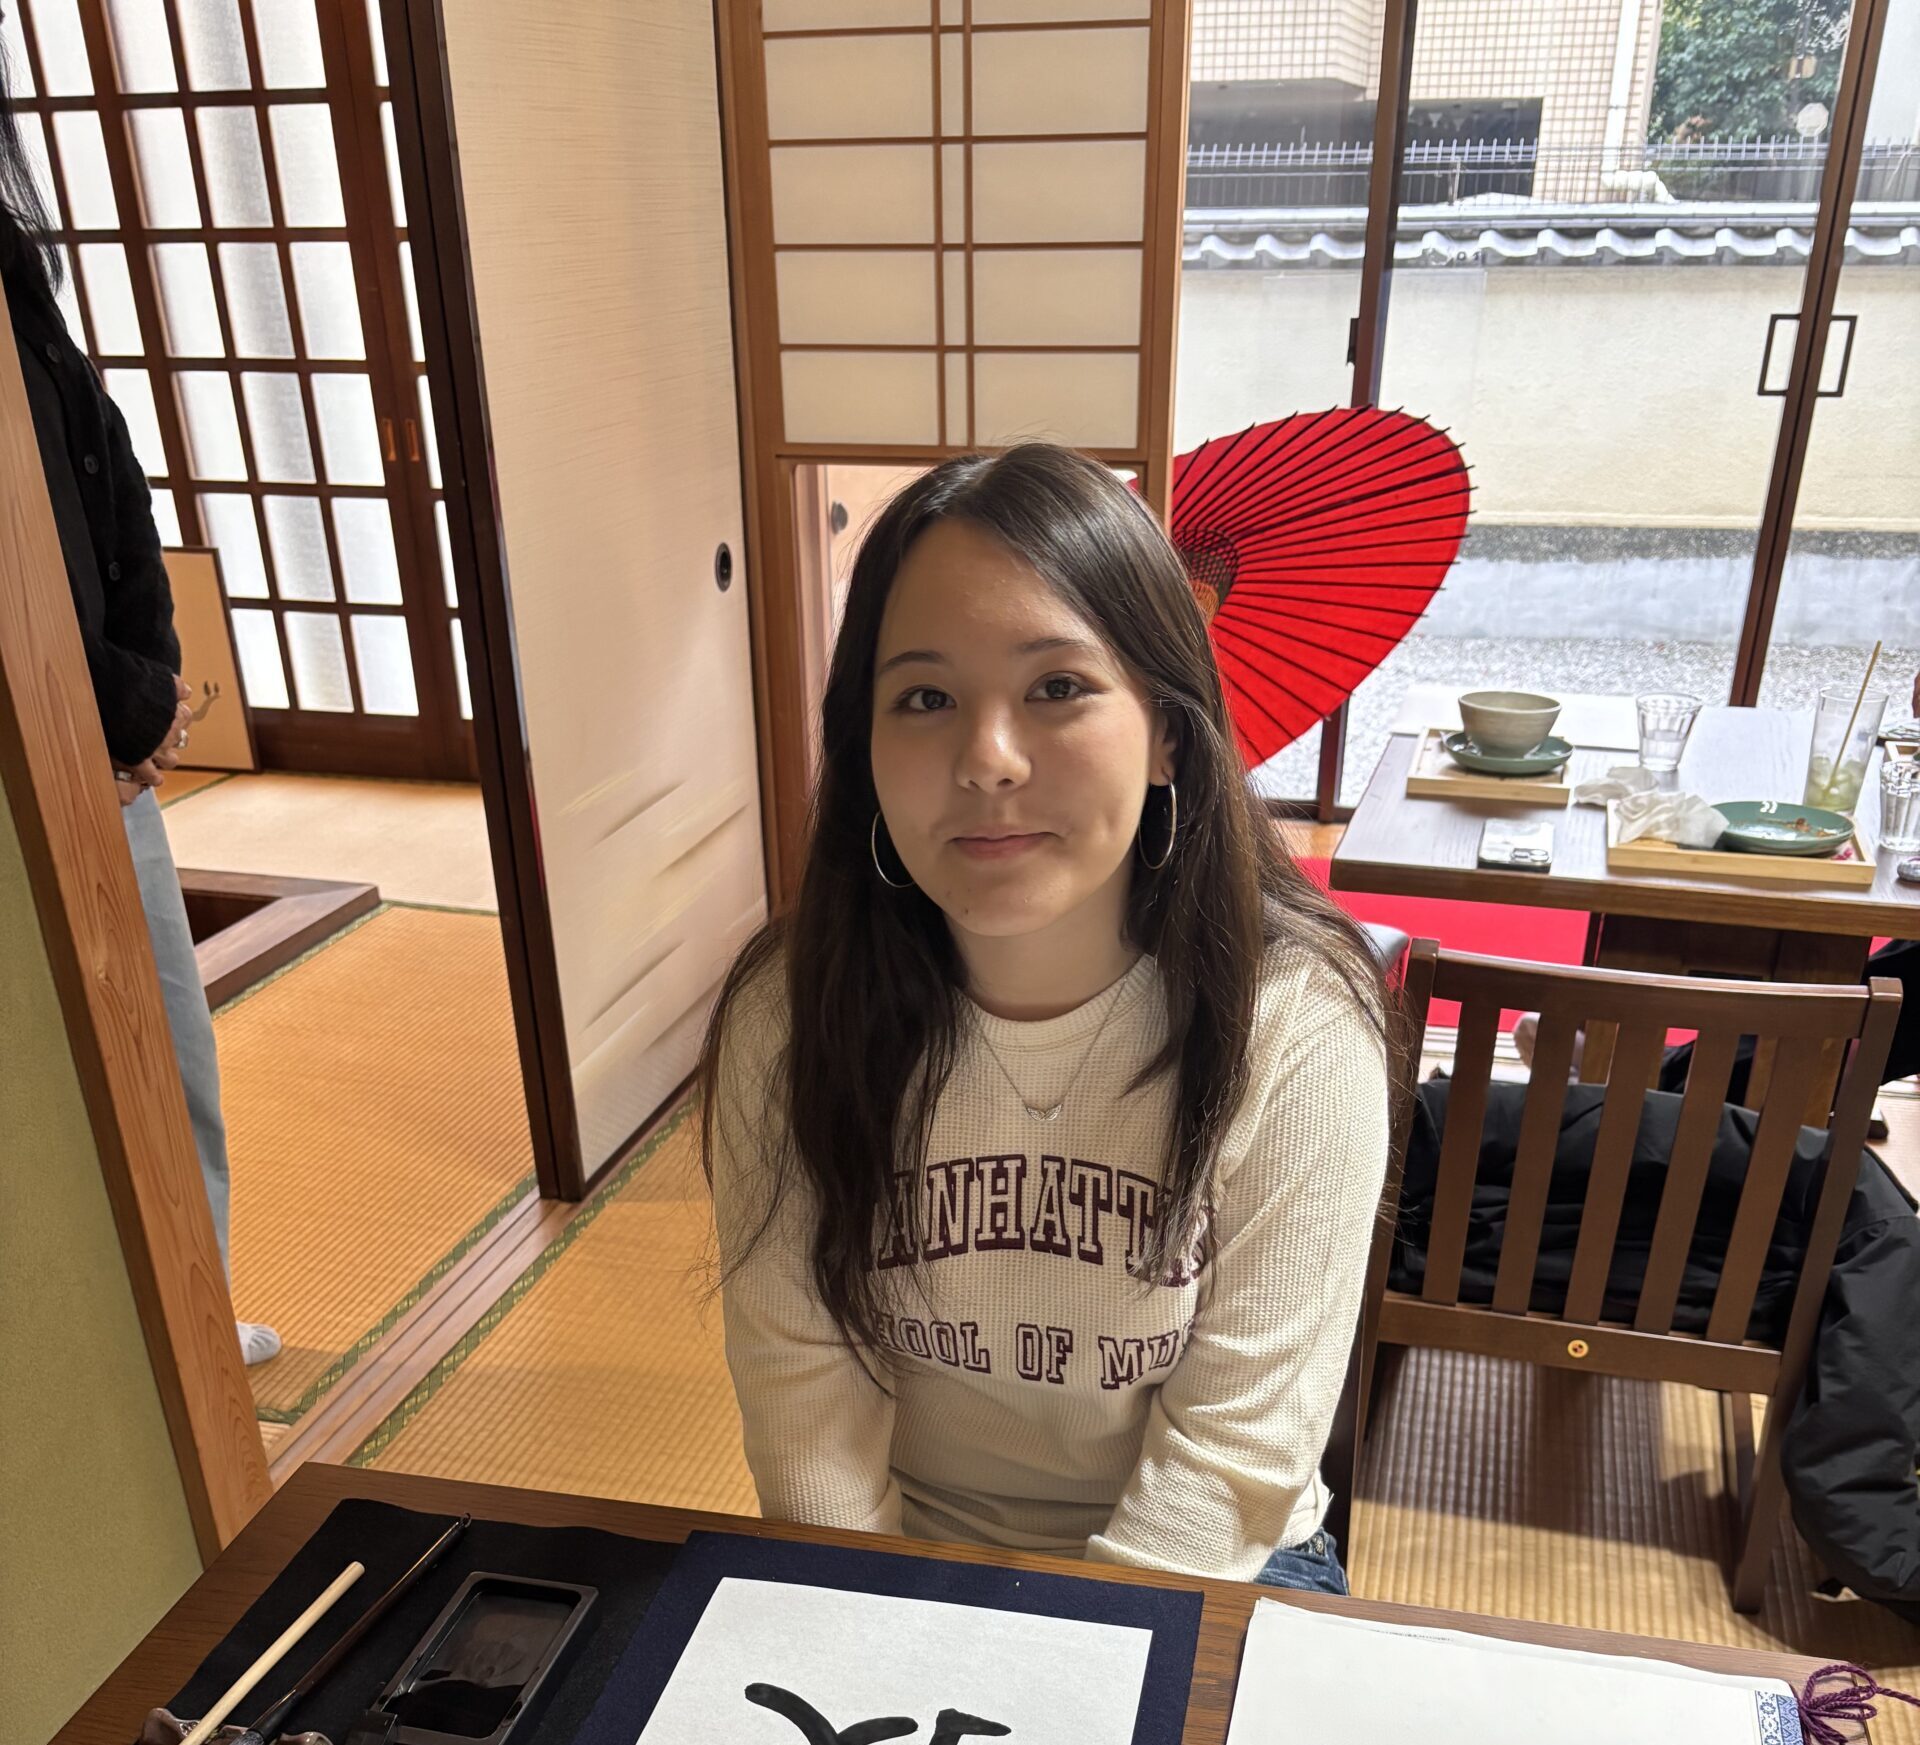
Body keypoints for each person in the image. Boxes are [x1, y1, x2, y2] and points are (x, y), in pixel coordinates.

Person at [701, 444, 1393, 1591]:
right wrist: (877, 1627)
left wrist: (1058, 1672)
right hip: (906, 1554)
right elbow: (802, 1409)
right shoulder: (793, 1012)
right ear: (864, 749)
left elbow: (1234, 1457)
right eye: (923, 697)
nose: (987, 758)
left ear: (1170, 729)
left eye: (1057, 687)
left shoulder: (1300, 1023)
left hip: (1211, 1562)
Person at [3, 44, 278, 1365]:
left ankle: (194, 1324)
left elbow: (104, 477)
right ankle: (129, 1373)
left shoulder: (12, 261)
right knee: (69, 1105)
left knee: (171, 1060)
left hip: (110, 751)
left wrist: (152, 688)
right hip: (45, 758)